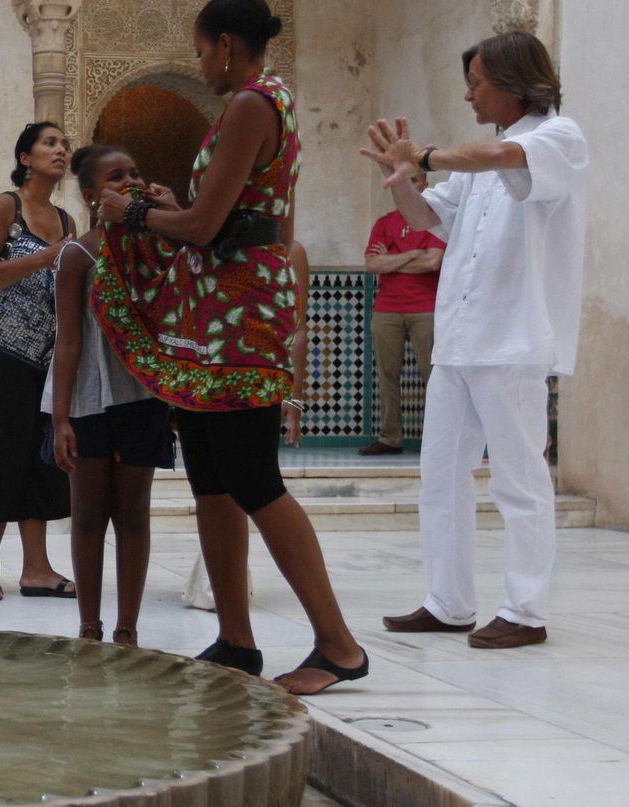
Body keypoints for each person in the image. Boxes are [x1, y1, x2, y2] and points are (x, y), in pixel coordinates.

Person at [91, 0, 367, 694]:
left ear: (224, 45)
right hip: (219, 307)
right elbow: (224, 211)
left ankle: (338, 647)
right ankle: (236, 641)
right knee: (212, 476)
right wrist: (165, 205)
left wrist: (139, 212)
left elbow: (208, 223)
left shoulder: (251, 103)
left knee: (252, 477)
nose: (200, 62)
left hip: (237, 314)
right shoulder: (266, 102)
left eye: (201, 49)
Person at [365, 31, 586, 649]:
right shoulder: (478, 157)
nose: (469, 94)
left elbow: (504, 163)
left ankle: (525, 610)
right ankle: (449, 601)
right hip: (458, 342)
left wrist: (427, 155)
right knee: (440, 475)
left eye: (479, 82)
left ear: (517, 82)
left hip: (512, 342)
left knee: (518, 479)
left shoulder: (557, 139)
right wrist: (401, 175)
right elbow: (421, 217)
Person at [48, 143, 178, 644]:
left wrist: (168, 214)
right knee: (87, 515)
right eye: (116, 176)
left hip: (143, 397)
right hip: (89, 400)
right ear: (89, 195)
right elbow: (69, 338)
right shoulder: (80, 254)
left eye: (135, 173)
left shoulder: (160, 245)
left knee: (133, 513)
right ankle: (89, 624)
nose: (130, 182)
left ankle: (127, 628)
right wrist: (60, 418)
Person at [0, 121, 77, 603]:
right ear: (25, 158)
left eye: (65, 144)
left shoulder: (68, 221)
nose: (61, 151)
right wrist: (44, 257)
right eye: (50, 143)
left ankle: (38, 570)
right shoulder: (4, 207)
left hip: (46, 363)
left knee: (41, 463)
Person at [360, 171, 443, 455]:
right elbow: (372, 264)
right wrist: (411, 255)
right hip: (387, 308)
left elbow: (433, 262)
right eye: (404, 182)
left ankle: (438, 439)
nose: (410, 187)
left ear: (425, 184)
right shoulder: (385, 223)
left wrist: (391, 260)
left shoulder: (435, 222)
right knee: (387, 373)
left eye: (415, 181)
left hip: (426, 308)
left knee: (433, 374)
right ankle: (389, 437)